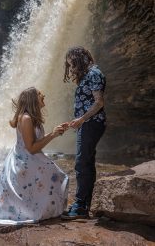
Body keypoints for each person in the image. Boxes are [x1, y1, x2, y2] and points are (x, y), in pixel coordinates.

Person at [0, 87, 69, 225]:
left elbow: (35, 145)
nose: (44, 95)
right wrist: (52, 135)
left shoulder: (31, 118)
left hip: (31, 157)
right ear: (33, 99)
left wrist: (55, 132)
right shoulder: (26, 118)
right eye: (41, 94)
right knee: (56, 175)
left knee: (56, 175)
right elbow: (31, 148)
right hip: (24, 160)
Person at [61, 46, 106, 220]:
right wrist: (78, 120)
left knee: (81, 163)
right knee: (86, 163)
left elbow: (99, 102)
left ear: (79, 59)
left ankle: (80, 206)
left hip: (92, 123)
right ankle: (85, 204)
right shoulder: (89, 74)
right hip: (87, 123)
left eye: (71, 63)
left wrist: (82, 119)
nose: (70, 67)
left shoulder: (94, 74)